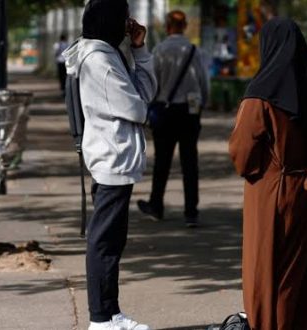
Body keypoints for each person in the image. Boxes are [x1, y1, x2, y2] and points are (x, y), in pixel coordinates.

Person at [228, 18, 307, 330]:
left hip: (271, 192)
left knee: (267, 272)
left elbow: (243, 156)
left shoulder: (261, 94)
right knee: (302, 273)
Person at [62, 1, 157, 329]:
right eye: (123, 16)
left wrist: (139, 50)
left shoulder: (104, 52)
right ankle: (101, 320)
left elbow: (143, 93)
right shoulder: (99, 59)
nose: (128, 22)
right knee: (104, 242)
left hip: (114, 156)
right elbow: (135, 106)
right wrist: (145, 108)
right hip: (111, 158)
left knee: (111, 242)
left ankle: (110, 312)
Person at [137, 10, 209, 228]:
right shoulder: (194, 50)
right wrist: (202, 104)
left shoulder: (159, 50)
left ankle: (156, 205)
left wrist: (149, 105)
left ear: (167, 27)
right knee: (190, 162)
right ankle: (191, 212)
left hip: (164, 113)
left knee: (162, 162)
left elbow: (152, 82)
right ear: (184, 26)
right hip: (189, 112)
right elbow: (204, 81)